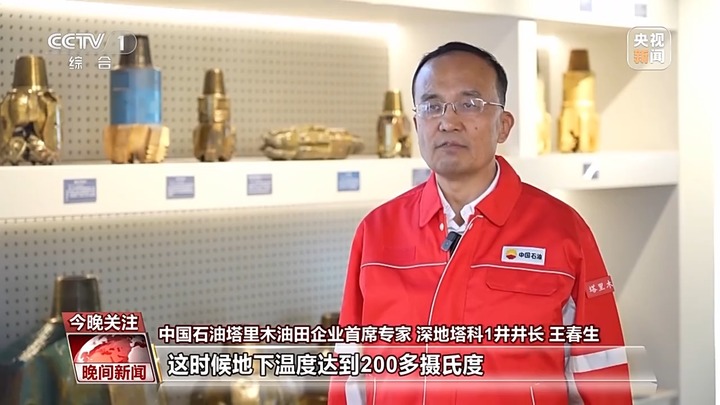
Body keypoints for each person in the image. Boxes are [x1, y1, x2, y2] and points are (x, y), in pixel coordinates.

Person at [327, 42, 632, 405]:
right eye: (432, 106)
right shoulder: (377, 232)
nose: (448, 121)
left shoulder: (562, 231)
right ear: (417, 125)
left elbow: (603, 373)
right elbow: (349, 374)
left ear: (503, 125)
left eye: (470, 104)